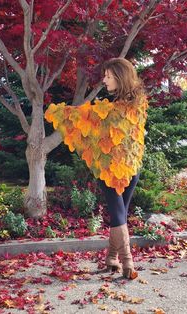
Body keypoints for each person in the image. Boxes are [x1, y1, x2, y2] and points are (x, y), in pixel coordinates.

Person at [45, 58, 148, 279]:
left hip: (119, 169)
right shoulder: (138, 104)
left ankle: (119, 260)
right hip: (125, 168)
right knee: (119, 213)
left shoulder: (120, 109)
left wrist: (63, 113)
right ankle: (120, 261)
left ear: (120, 78)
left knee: (118, 213)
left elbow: (90, 118)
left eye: (108, 76)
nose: (104, 79)